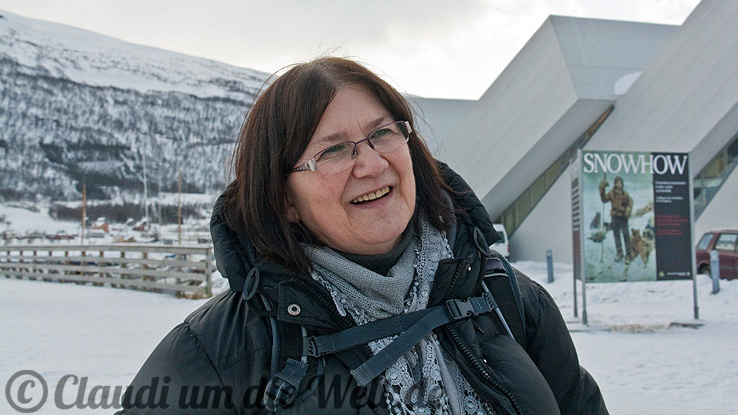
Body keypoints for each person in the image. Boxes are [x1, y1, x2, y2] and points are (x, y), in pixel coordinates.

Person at [119, 57, 607, 414]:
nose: (371, 164)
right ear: (285, 199)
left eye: (383, 134)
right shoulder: (221, 352)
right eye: (333, 152)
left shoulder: (506, 298)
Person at [598, 176, 633, 263]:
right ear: (615, 184)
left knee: (626, 235)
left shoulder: (625, 194)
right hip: (614, 216)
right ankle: (619, 253)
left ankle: (628, 255)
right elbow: (604, 199)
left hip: (623, 217)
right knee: (616, 235)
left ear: (622, 184)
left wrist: (628, 209)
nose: (619, 185)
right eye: (617, 183)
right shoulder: (611, 193)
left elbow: (631, 201)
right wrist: (602, 189)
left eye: (620, 183)